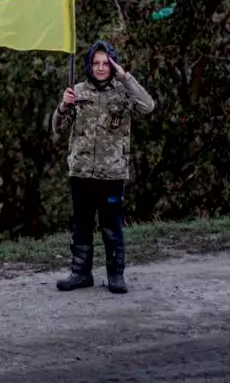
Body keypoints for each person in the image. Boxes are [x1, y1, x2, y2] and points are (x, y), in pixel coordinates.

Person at [50, 40, 155, 294]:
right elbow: (57, 128)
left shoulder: (123, 93)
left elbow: (148, 106)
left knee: (112, 226)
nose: (99, 68)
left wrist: (125, 77)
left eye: (105, 63)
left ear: (112, 64)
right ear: (88, 65)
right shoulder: (77, 91)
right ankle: (80, 273)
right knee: (82, 225)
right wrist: (63, 106)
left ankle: (115, 275)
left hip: (112, 173)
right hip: (82, 171)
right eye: (95, 63)